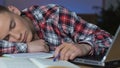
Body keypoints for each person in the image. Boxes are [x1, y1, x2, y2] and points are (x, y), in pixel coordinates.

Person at [0, 4, 113, 60]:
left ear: (14, 10)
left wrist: (84, 46)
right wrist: (26, 47)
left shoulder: (54, 15)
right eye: (7, 38)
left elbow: (108, 39)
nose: (17, 37)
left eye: (13, 25)